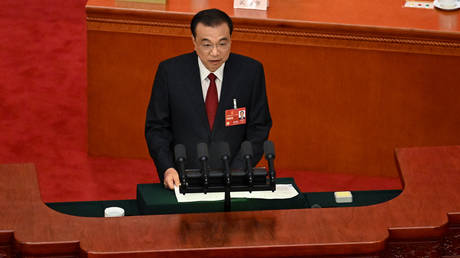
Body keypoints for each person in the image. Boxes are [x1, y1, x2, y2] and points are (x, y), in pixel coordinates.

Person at [145, 8, 272, 190]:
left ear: (231, 40)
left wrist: (236, 171)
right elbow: (157, 128)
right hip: (183, 178)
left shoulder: (250, 72)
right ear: (194, 42)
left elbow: (259, 127)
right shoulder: (170, 72)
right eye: (206, 44)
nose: (215, 53)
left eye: (222, 43)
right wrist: (167, 168)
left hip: (235, 178)